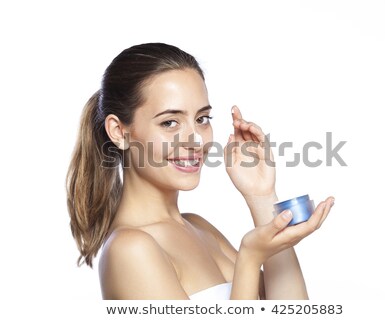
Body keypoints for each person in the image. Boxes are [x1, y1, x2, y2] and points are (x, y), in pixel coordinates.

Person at [66, 43, 335, 300]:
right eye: (170, 122)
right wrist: (250, 259)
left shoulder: (199, 227)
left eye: (202, 119)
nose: (195, 140)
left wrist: (261, 196)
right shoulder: (129, 250)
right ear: (119, 132)